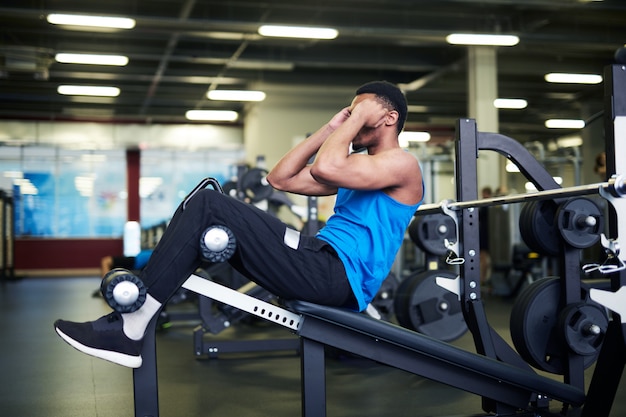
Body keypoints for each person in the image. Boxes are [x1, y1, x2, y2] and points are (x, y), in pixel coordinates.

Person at [54, 81, 425, 368]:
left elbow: (328, 167)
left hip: (336, 276)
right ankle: (134, 320)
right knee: (207, 199)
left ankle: (131, 325)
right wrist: (332, 127)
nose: (351, 116)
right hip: (316, 255)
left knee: (211, 203)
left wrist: (359, 116)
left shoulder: (402, 164)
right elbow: (280, 178)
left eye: (361, 111)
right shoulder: (358, 170)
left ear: (389, 118)